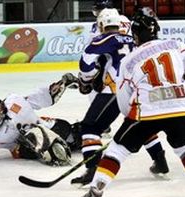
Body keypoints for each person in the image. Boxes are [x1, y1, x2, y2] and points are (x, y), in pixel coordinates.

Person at [79, 7, 185, 197]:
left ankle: (95, 193)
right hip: (182, 108)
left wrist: (129, 121)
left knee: (117, 150)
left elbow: (124, 101)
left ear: (134, 35)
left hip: (147, 111)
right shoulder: (176, 45)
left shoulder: (130, 60)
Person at [69, 5, 169, 187]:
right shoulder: (134, 39)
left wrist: (86, 80)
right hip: (138, 89)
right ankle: (160, 161)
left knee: (90, 127)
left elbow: (86, 65)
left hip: (115, 90)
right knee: (140, 125)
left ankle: (93, 169)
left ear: (101, 24)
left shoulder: (101, 40)